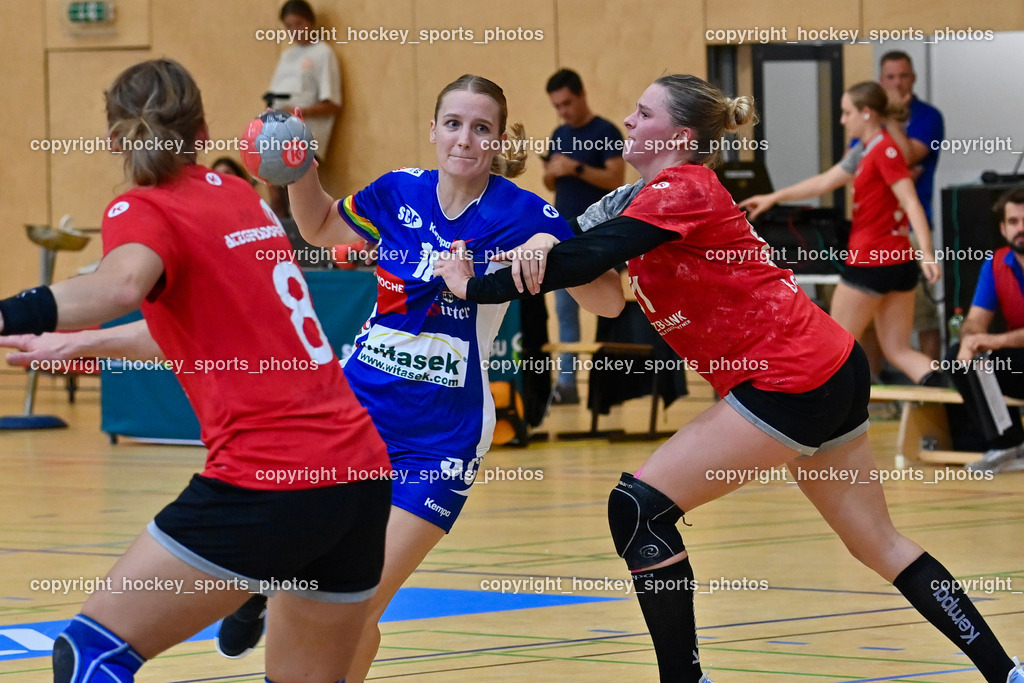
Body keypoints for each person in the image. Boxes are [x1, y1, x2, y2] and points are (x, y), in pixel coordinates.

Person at [434, 73, 1023, 683]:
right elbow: (598, 288)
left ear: (680, 137)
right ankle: (1006, 672)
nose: (628, 121)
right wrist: (532, 243)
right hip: (826, 366)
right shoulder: (633, 199)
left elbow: (583, 256)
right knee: (879, 543)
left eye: (643, 113)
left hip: (788, 379)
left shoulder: (684, 187)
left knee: (637, 509)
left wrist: (473, 288)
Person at [213, 74, 624, 680]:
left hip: (440, 440)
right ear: (433, 130)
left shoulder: (523, 213)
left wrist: (551, 252)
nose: (465, 139)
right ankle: (264, 581)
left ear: (498, 140)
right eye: (453, 124)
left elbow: (610, 301)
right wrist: (299, 172)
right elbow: (321, 227)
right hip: (357, 412)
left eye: (481, 128)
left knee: (356, 599)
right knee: (336, 594)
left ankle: (269, 584)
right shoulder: (398, 191)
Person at [0, 58, 392, 683]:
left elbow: (120, 285)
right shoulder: (238, 197)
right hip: (358, 479)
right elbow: (205, 331)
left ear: (113, 139)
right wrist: (82, 345)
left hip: (271, 477)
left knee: (92, 653)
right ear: (203, 132)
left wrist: (11, 313)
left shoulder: (140, 208)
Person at [740, 81, 944, 387]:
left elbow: (911, 201)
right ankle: (957, 400)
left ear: (867, 113)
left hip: (872, 261)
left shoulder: (884, 150)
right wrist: (773, 197)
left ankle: (825, 410)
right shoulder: (866, 150)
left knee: (833, 345)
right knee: (899, 350)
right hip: (898, 265)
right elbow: (825, 182)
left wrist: (927, 253)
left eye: (847, 113)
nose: (842, 120)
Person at [543, 68, 626, 404]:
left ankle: (609, 387)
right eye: (557, 106)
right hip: (565, 233)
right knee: (565, 311)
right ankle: (567, 384)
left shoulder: (605, 131)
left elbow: (616, 179)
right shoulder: (558, 134)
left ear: (581, 95)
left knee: (612, 311)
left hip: (603, 235)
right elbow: (549, 182)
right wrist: (552, 172)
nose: (563, 111)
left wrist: (575, 168)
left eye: (567, 103)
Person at [947, 185, 1024, 473]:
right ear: (1003, 229)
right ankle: (1009, 444)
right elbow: (975, 321)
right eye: (1013, 222)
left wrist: (996, 340)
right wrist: (971, 341)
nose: (1020, 229)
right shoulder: (996, 264)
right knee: (960, 356)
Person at [880, 50, 946, 362]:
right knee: (872, 314)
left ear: (914, 78)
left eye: (903, 76)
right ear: (881, 81)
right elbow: (855, 164)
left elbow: (904, 158)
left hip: (913, 228)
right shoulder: (870, 116)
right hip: (875, 230)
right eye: (890, 77)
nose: (897, 84)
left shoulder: (928, 116)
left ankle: (931, 383)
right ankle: (873, 384)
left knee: (923, 313)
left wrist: (892, 119)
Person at [265, 0, 341, 216]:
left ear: (310, 22)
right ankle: (279, 218)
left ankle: (291, 220)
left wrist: (298, 112)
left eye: (299, 24)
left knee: (290, 182)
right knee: (263, 160)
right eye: (289, 26)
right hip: (279, 128)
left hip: (305, 131)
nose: (295, 31)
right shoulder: (287, 56)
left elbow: (333, 104)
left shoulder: (323, 53)